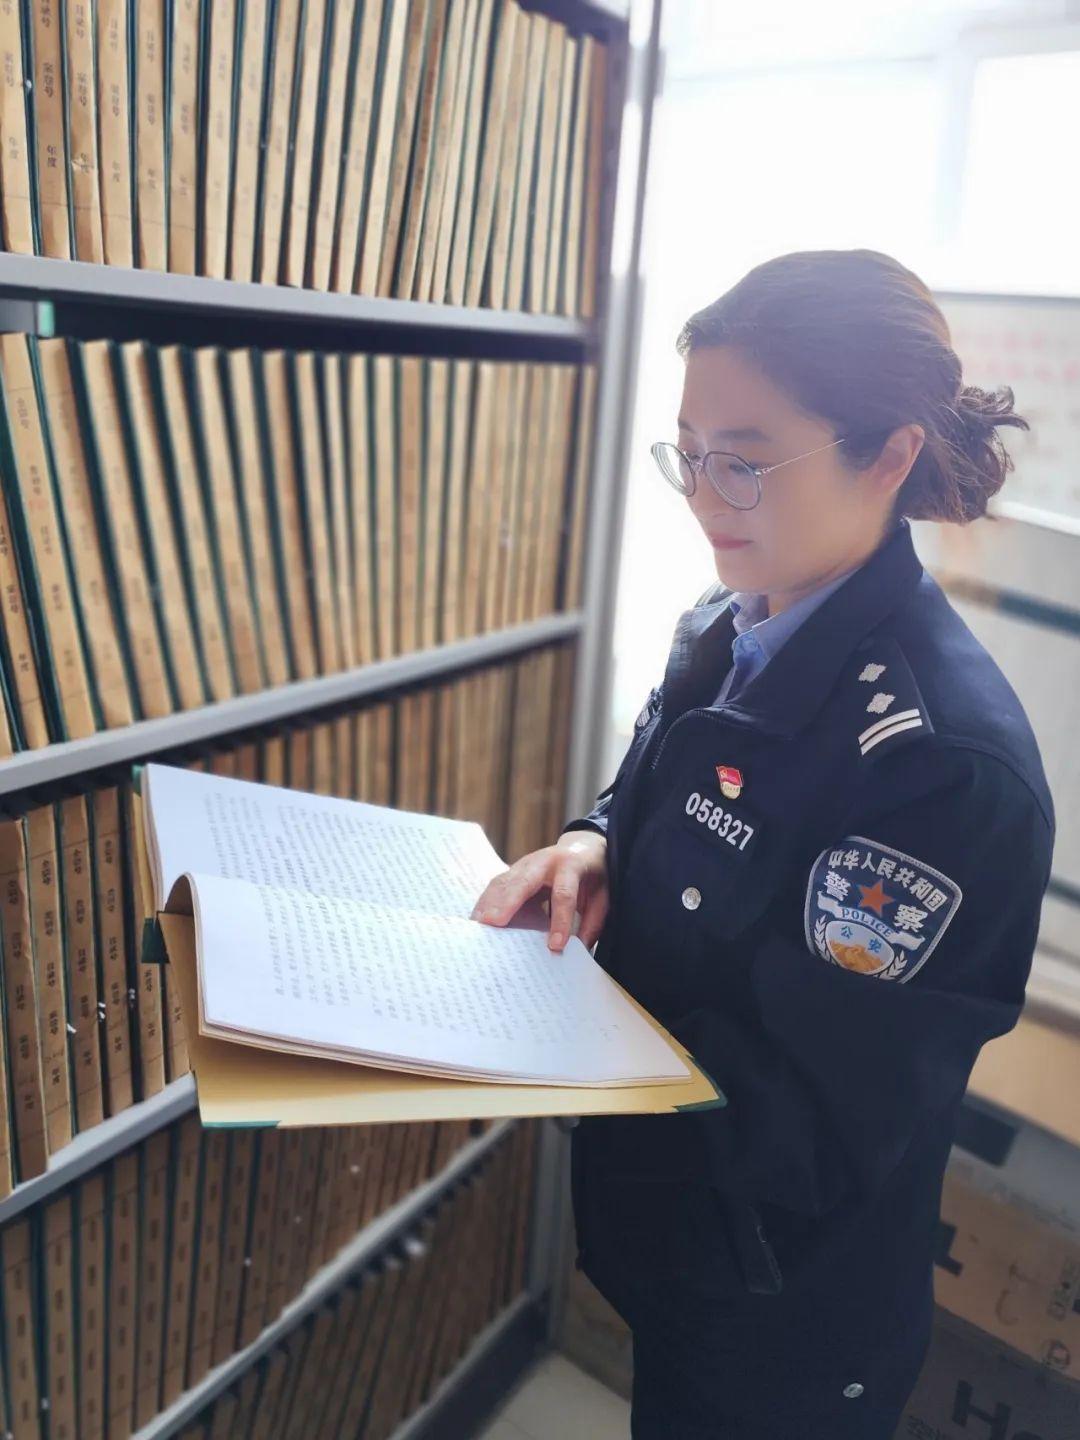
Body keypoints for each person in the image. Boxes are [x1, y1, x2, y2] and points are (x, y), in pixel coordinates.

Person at [468, 248, 1056, 1439]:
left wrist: (542, 1049)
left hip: (782, 1308)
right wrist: (593, 844)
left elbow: (815, 1125)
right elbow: (662, 792)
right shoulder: (733, 618)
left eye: (743, 461)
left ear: (886, 455)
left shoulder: (939, 767)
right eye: (689, 452)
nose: (702, 497)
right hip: (676, 1248)